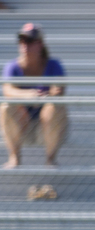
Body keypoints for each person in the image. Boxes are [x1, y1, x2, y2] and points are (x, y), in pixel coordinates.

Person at [1, 23, 68, 168]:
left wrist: (43, 96)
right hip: (23, 123)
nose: (25, 45)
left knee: (55, 107)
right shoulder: (12, 66)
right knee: (6, 107)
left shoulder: (53, 64)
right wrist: (28, 95)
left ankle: (50, 160)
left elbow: (59, 89)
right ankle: (14, 158)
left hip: (47, 124)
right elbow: (7, 90)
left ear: (40, 44)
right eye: (22, 41)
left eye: (30, 41)